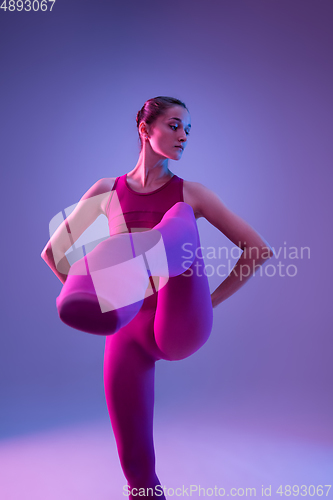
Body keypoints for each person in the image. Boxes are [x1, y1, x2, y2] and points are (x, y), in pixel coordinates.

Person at [41, 96, 273, 499]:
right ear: (146, 130)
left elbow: (257, 248)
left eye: (188, 130)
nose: (184, 136)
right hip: (126, 332)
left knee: (180, 218)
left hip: (178, 319)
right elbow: (53, 252)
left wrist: (211, 302)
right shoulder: (107, 190)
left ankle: (150, 256)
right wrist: (93, 297)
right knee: (138, 473)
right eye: (175, 125)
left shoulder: (192, 194)